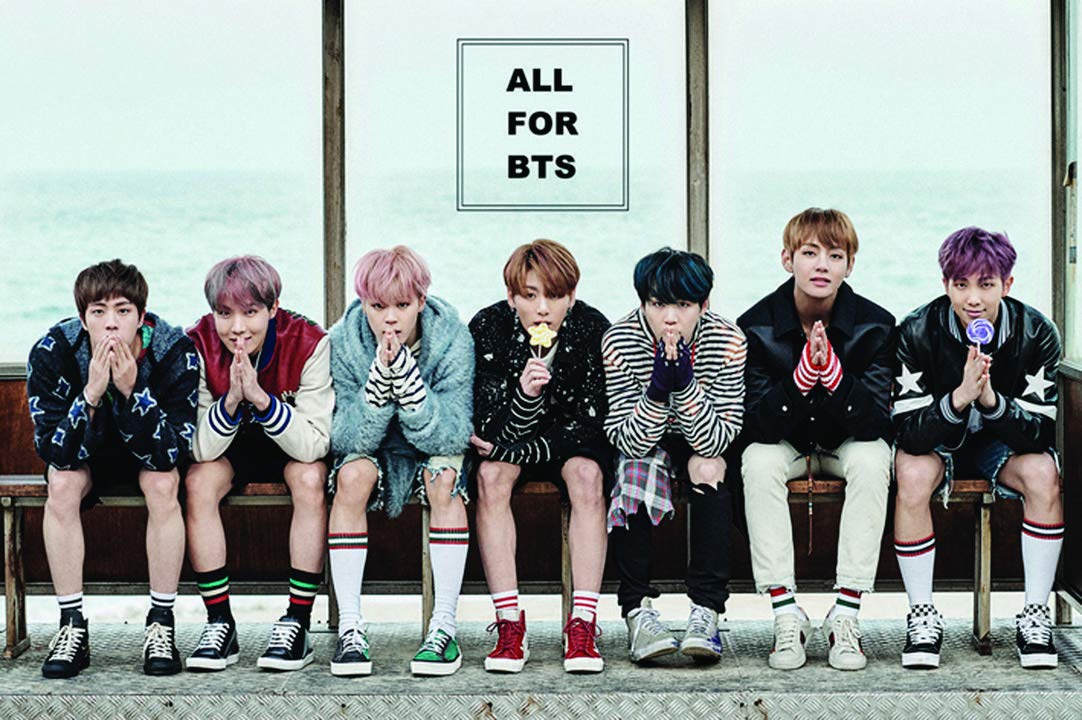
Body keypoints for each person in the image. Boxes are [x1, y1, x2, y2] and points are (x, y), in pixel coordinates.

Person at [893, 227, 1062, 669]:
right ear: (945, 284)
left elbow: (1041, 435)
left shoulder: (1036, 332)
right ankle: (922, 615)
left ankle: (1036, 614)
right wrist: (958, 399)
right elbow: (909, 434)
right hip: (938, 442)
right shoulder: (915, 330)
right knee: (910, 472)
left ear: (1007, 284)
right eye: (961, 284)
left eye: (986, 284)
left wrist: (990, 402)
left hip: (999, 445)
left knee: (1044, 473)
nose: (973, 298)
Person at [738, 208, 894, 671]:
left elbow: (874, 424)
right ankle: (786, 613)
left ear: (850, 265)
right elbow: (757, 426)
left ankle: (845, 614)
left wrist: (835, 378)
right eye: (809, 253)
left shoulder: (876, 325)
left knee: (873, 459)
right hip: (787, 441)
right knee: (757, 461)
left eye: (835, 255)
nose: (822, 265)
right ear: (788, 259)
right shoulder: (756, 326)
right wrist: (802, 379)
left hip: (846, 440)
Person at [27, 259, 198, 678]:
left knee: (164, 483)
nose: (110, 323)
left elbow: (170, 452)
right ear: (83, 317)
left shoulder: (174, 350)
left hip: (147, 453)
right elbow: (55, 452)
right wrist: (90, 394)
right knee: (61, 483)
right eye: (98, 311)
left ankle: (161, 622)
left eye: (123, 311)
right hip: (85, 454)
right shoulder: (53, 350)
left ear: (141, 316)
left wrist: (132, 390)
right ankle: (72, 625)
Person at [328, 246, 474, 676]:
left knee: (444, 478)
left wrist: (411, 390)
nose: (390, 318)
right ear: (363, 303)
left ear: (421, 301)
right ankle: (350, 628)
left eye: (402, 305)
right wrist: (377, 389)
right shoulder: (343, 340)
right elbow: (343, 436)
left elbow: (455, 431)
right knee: (351, 477)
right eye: (378, 306)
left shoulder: (452, 337)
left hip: (431, 445)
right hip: (375, 449)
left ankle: (443, 627)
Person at [470, 239, 611, 674]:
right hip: (511, 443)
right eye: (530, 296)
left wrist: (520, 446)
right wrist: (525, 395)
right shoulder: (489, 328)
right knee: (490, 477)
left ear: (572, 296)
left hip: (567, 446)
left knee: (588, 477)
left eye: (554, 295)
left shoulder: (591, 328)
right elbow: (486, 430)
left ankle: (582, 623)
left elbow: (590, 426)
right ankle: (509, 623)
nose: (543, 309)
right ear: (512, 297)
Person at [185, 255, 331, 672]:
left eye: (250, 312)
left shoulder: (309, 341)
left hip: (289, 443)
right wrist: (233, 400)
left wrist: (263, 402)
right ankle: (220, 622)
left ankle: (297, 621)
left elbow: (314, 444)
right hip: (228, 444)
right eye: (224, 314)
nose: (237, 327)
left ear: (273, 308)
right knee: (197, 482)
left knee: (310, 478)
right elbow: (199, 447)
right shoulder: (196, 342)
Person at [604, 247, 745, 665]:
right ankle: (637, 611)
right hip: (644, 436)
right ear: (643, 304)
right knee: (635, 472)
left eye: (682, 305)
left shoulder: (728, 340)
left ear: (703, 304)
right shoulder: (620, 340)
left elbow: (717, 439)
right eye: (657, 304)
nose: (670, 318)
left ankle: (706, 610)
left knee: (709, 468)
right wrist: (656, 390)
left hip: (699, 434)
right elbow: (626, 439)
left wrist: (683, 385)